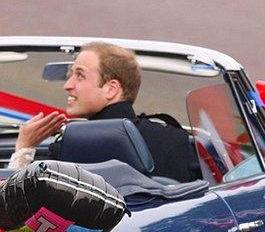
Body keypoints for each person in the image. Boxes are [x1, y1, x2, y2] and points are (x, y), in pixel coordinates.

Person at [16, 42, 198, 182]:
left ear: (111, 89)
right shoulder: (175, 137)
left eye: (80, 75)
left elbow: (22, 208)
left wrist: (24, 147)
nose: (67, 85)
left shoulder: (72, 146)